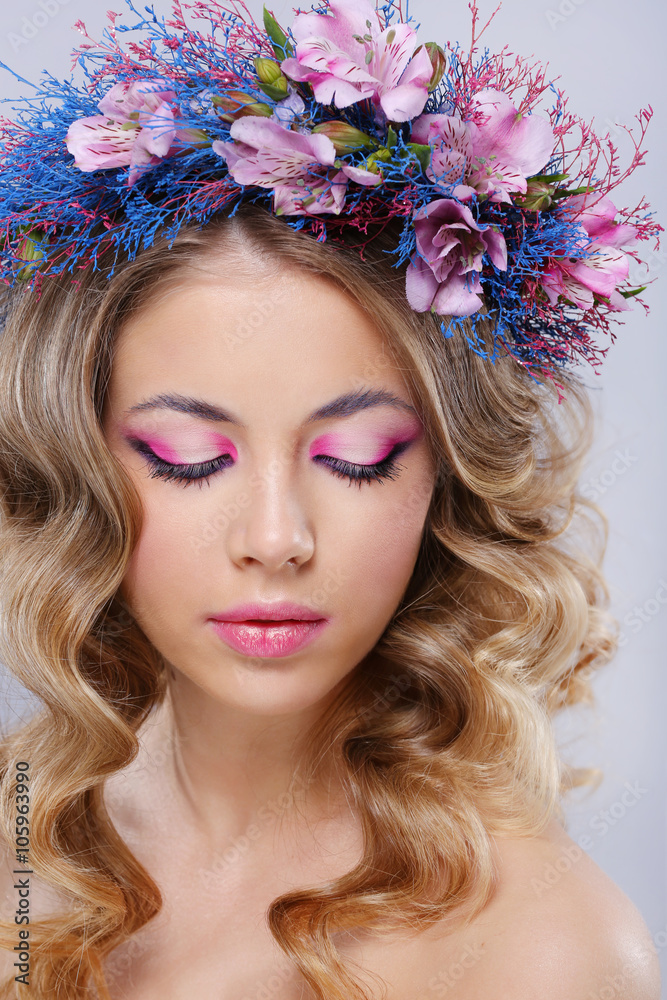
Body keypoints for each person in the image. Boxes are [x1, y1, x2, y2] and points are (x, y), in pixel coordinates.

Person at [0, 2, 661, 998]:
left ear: (444, 481)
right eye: (187, 456)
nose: (276, 538)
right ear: (82, 464)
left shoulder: (543, 950)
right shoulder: (19, 830)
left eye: (356, 456)